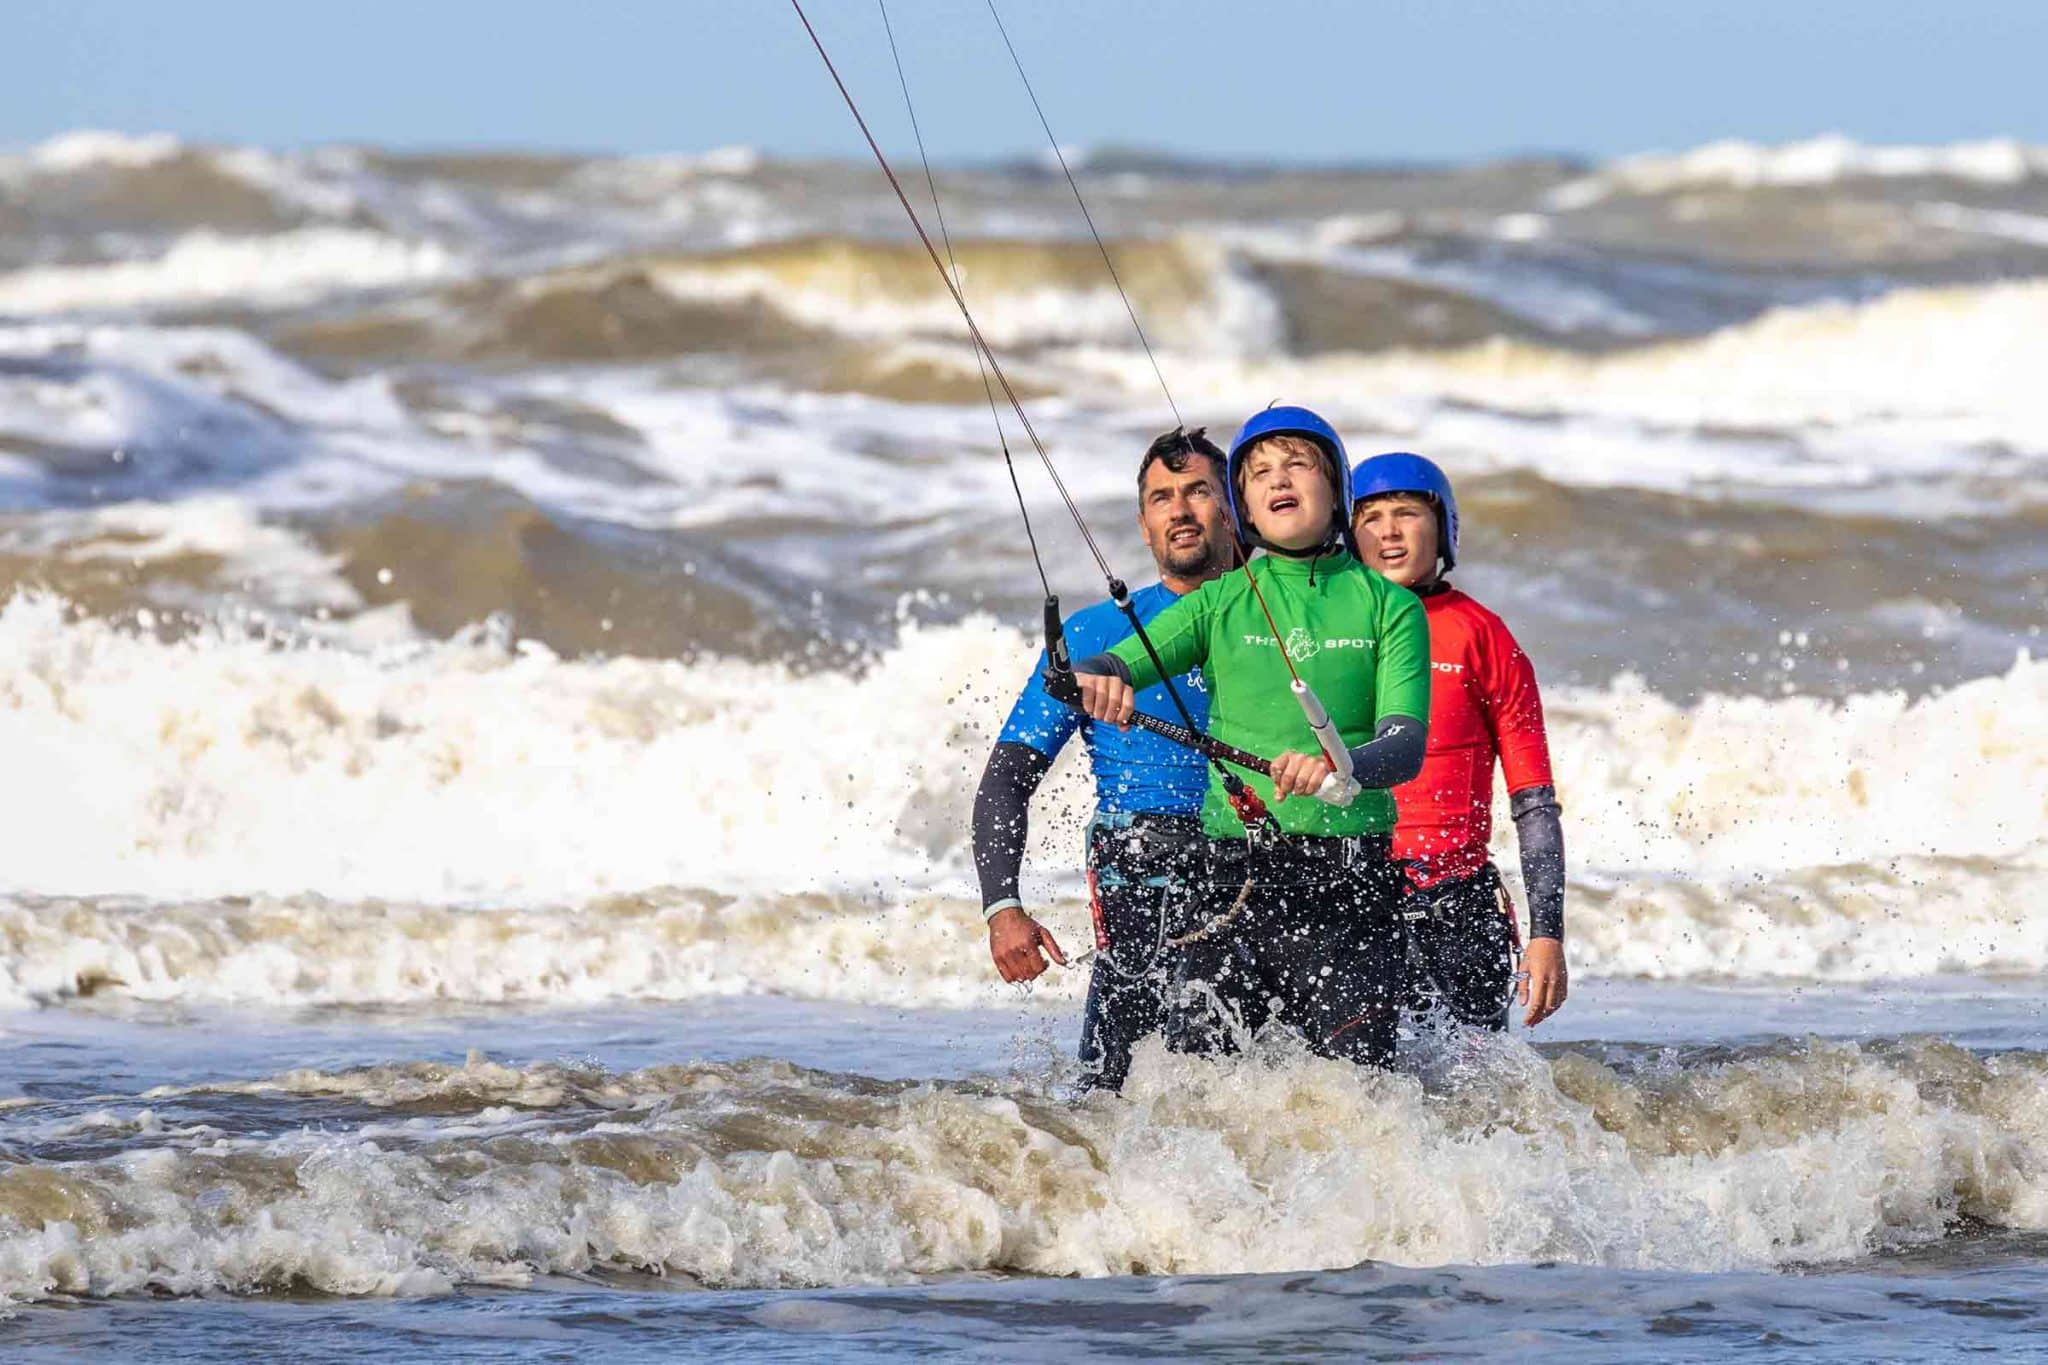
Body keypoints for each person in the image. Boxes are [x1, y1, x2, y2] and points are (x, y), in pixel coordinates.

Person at [1071, 406, 1430, 1069]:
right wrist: (1100, 679)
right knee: (1198, 1097)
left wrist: (1343, 765)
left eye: (1297, 464)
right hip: (1231, 892)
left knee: (1360, 1109)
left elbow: (1404, 744)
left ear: (1338, 489)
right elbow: (1119, 661)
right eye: (1259, 471)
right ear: (1246, 507)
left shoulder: (1391, 606)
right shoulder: (1221, 601)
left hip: (1349, 896)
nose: (1277, 478)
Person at [973, 428, 1237, 1091]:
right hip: (1138, 875)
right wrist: (1002, 906)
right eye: (1160, 499)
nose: (1178, 510)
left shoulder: (1279, 625)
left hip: (1257, 874)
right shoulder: (1094, 633)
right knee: (1103, 1108)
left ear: (1233, 507)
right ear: (1145, 526)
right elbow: (1006, 779)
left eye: (1198, 491)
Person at [1349, 453, 1568, 1030]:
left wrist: (1547, 934)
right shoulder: (1329, 634)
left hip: (1458, 912)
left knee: (1471, 1096)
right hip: (1351, 897)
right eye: (1369, 517)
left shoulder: (1484, 634)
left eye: (1406, 514)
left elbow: (1534, 800)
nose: (1389, 531)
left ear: (1442, 528)